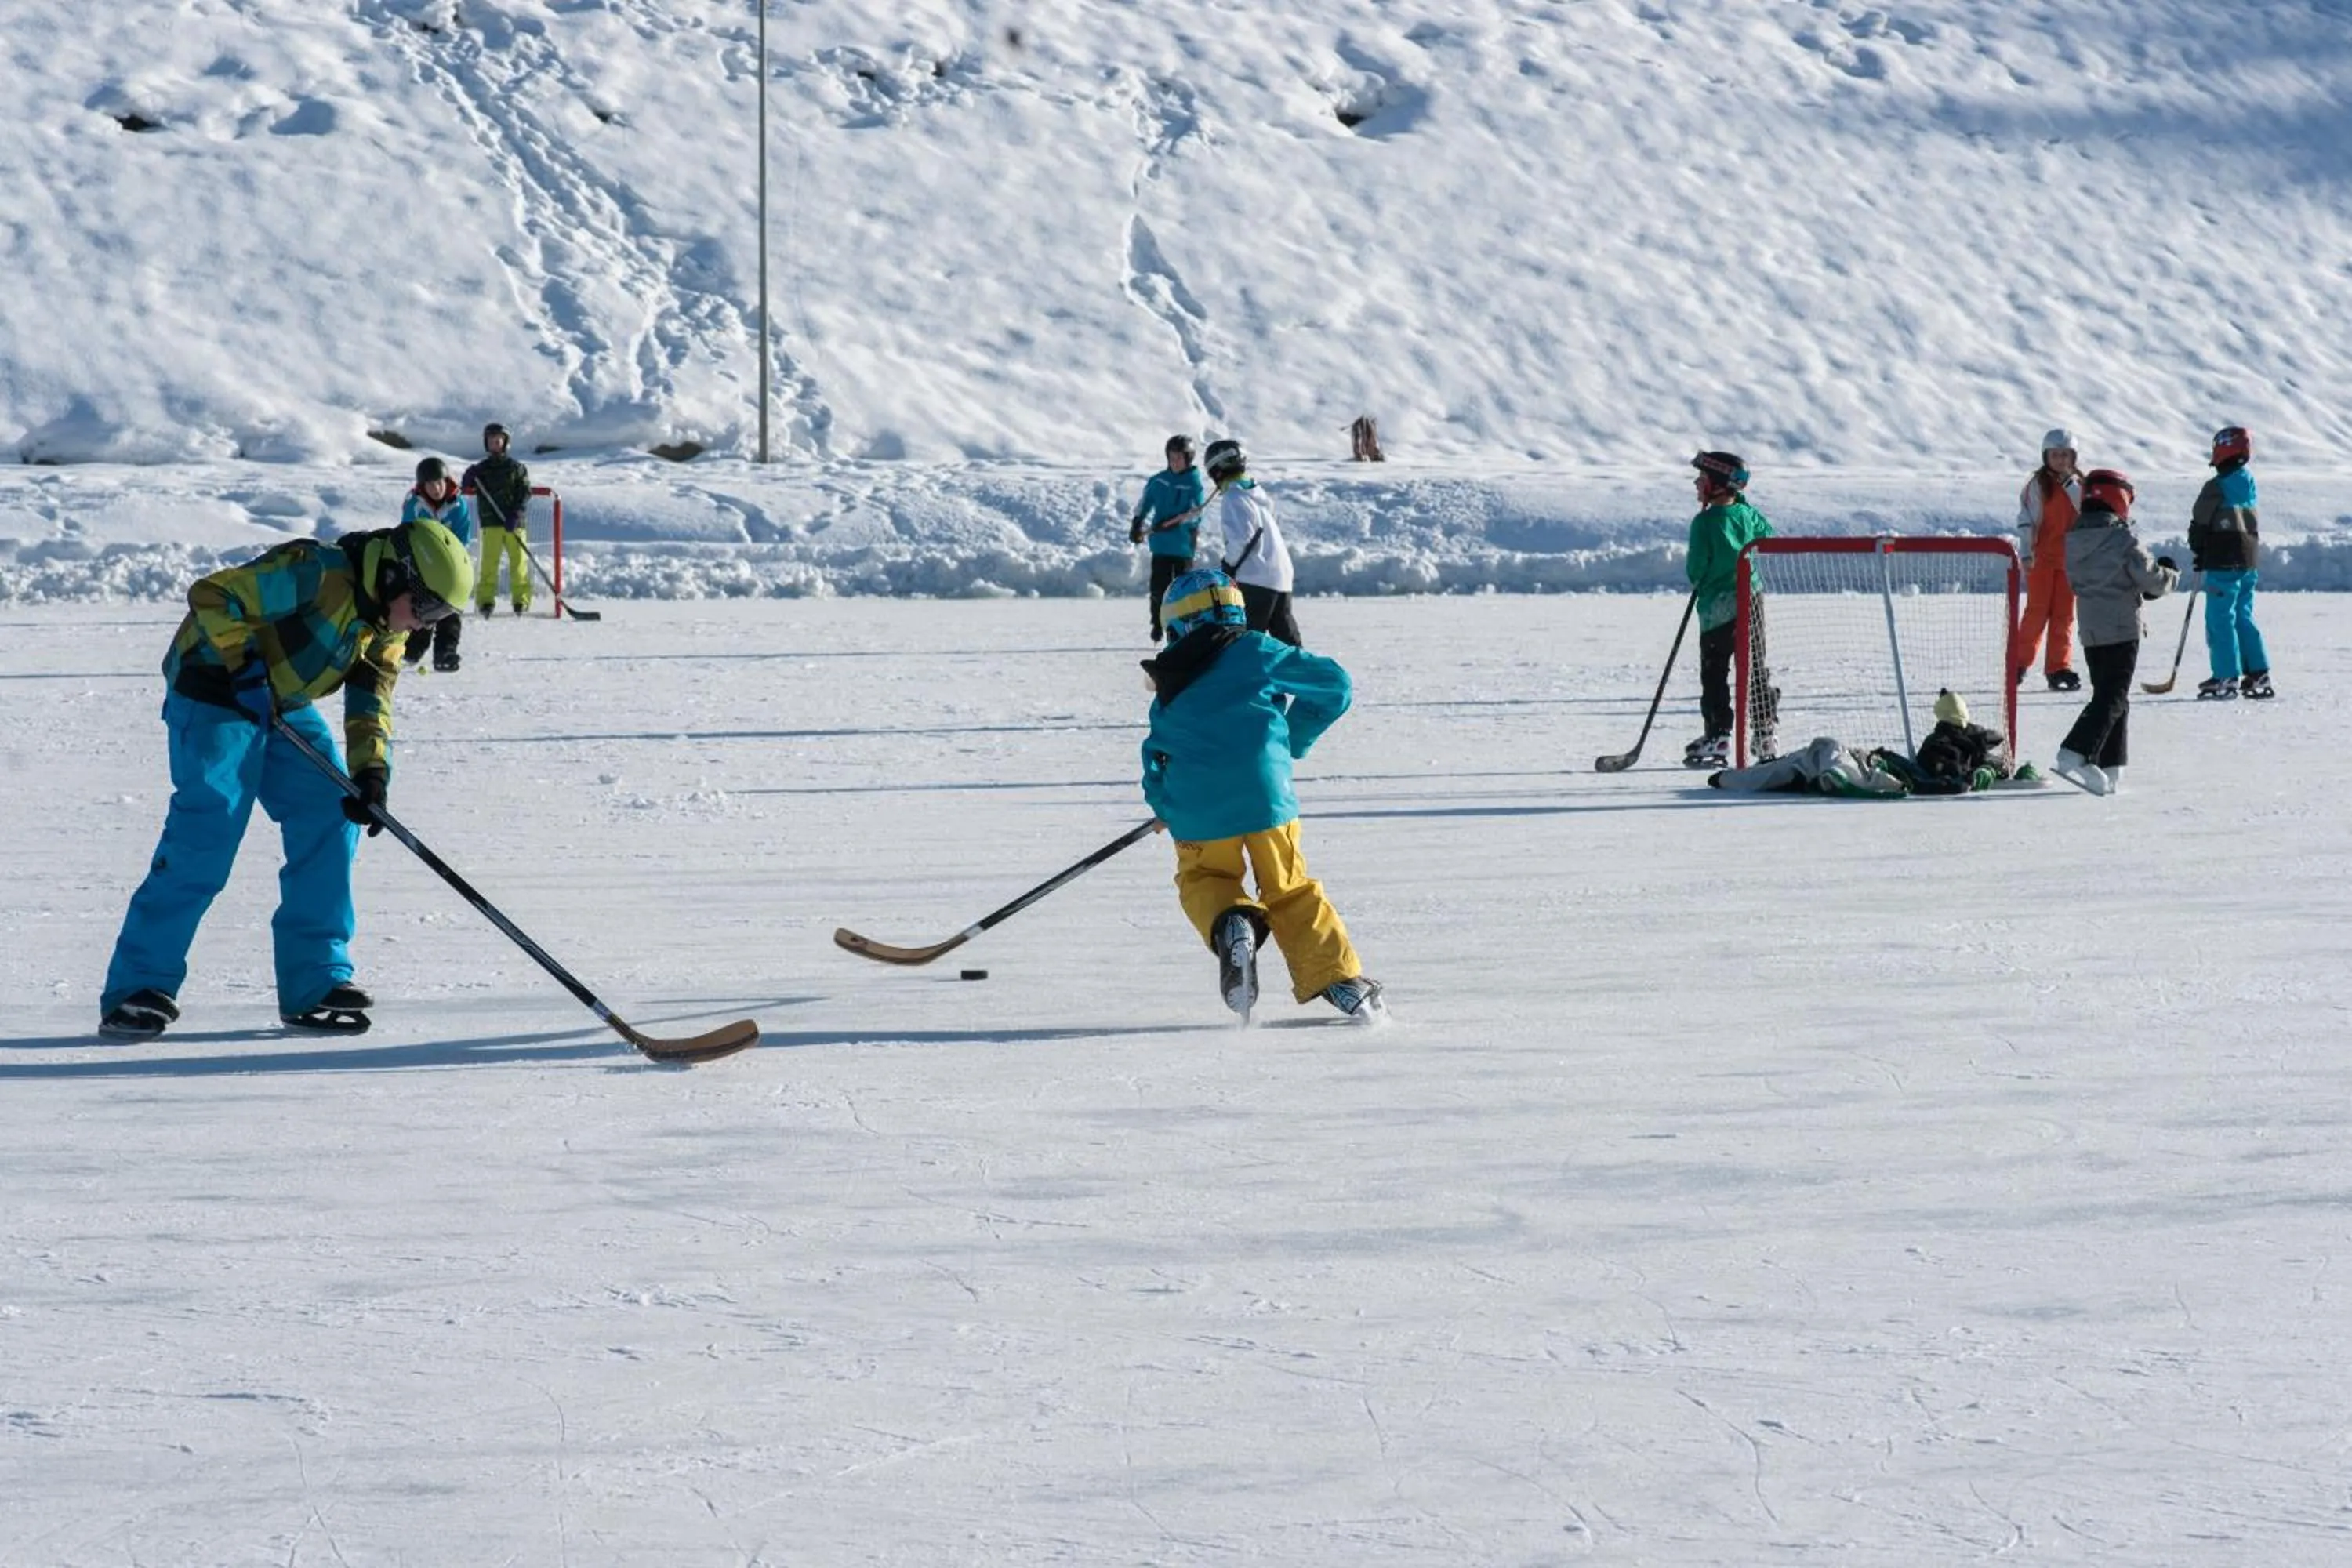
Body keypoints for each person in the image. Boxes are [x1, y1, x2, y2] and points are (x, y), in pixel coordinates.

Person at [97, 518, 475, 1039]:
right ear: (394, 576)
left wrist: (371, 772)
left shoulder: (385, 627)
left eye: (439, 616)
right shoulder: (315, 572)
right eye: (426, 608)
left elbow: (372, 695)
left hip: (281, 702)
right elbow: (213, 595)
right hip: (214, 691)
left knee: (332, 811)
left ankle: (315, 979)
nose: (422, 626)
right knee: (210, 828)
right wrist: (243, 661)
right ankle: (137, 986)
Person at [1139, 567, 1381, 1022]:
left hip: (1196, 807)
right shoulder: (1256, 650)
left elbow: (1156, 754)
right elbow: (1335, 685)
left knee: (1204, 877)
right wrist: (1290, 739)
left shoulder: (1169, 681)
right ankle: (1339, 982)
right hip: (1265, 796)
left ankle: (1233, 921)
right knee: (1288, 889)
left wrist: (1165, 805)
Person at [2055, 469, 2178, 795]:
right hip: (2123, 629)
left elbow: (2079, 582)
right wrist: (2171, 574)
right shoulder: (2123, 539)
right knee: (2112, 698)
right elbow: (2151, 579)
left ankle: (2110, 765)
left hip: (2091, 629)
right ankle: (2075, 751)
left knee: (2112, 697)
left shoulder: (2074, 540)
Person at [1683, 450, 1775, 769]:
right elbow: (1767, 532)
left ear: (1719, 485)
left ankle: (1719, 733)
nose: (1697, 483)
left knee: (1715, 671)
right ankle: (1764, 731)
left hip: (1716, 610)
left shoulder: (1704, 523)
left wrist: (1702, 580)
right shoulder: (1747, 517)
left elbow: (1696, 570)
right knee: (1754, 666)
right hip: (1751, 600)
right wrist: (1743, 505)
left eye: (1703, 479)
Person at [2189, 423, 2270, 699]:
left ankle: (2226, 675)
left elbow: (2200, 522)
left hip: (2223, 562)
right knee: (2243, 617)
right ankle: (2258, 671)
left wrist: (2198, 547)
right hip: (2248, 562)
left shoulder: (2216, 487)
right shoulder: (2248, 483)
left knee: (2220, 618)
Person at [1200, 437, 1301, 646]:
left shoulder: (1234, 498)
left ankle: (1247, 678)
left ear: (1218, 470)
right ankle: (1305, 675)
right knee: (1287, 641)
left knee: (1246, 642)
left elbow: (1240, 540)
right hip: (1280, 577)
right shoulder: (1256, 496)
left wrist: (1228, 565)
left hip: (1255, 578)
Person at [2012, 429, 2084, 691]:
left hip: (2070, 561)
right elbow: (2026, 520)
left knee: (2063, 616)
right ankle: (2018, 664)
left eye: (2065, 455)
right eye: (2055, 455)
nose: (2061, 460)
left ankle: (2058, 667)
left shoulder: (2079, 486)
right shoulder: (2036, 485)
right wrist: (2027, 551)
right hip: (2042, 559)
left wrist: (2069, 484)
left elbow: (2085, 508)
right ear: (2046, 456)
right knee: (2037, 612)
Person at [1129, 434, 1211, 641]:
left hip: (1183, 547)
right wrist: (1137, 523)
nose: (1175, 462)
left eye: (1179, 458)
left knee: (1183, 591)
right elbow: (1145, 503)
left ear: (1188, 459)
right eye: (1172, 457)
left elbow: (1196, 513)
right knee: (1159, 588)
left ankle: (1184, 628)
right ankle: (1157, 623)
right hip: (1161, 546)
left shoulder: (1194, 484)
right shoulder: (1159, 480)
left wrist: (1177, 523)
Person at [401, 456, 476, 672]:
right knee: (423, 610)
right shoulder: (415, 506)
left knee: (451, 610)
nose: (436, 488)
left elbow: (463, 538)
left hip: (451, 567)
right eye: (431, 484)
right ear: (422, 486)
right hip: (423, 567)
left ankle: (445, 653)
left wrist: (451, 562)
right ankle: (412, 651)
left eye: (440, 482)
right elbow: (407, 535)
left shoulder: (458, 505)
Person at [462, 423, 534, 619]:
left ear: (505, 443)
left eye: (499, 440)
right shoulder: (481, 470)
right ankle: (485, 601)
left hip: (514, 525)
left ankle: (521, 601)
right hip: (491, 524)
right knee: (488, 564)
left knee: (518, 563)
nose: (495, 443)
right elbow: (466, 488)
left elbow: (525, 493)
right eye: (492, 440)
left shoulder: (516, 468)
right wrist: (468, 477)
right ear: (487, 444)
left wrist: (516, 514)